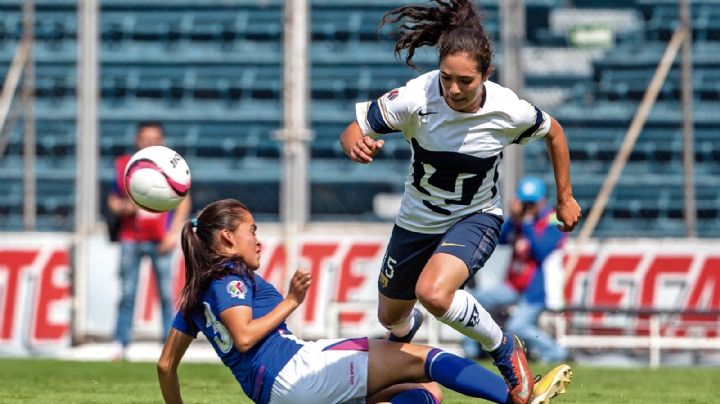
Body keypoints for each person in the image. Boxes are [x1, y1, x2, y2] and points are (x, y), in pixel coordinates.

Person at [338, 1, 581, 402]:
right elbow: (354, 128)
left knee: (434, 293)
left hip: (476, 217)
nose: (453, 89)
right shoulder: (415, 97)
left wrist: (565, 198)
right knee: (390, 317)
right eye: (447, 78)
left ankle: (507, 352)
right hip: (415, 222)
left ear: (486, 74)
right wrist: (356, 145)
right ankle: (404, 340)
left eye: (465, 81)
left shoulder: (508, 109)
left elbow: (555, 132)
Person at [156, 198, 572, 404]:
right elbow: (244, 336)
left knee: (427, 390)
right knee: (424, 358)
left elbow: (165, 365)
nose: (258, 238)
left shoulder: (196, 292)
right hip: (300, 371)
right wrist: (291, 301)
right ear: (227, 237)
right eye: (251, 229)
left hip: (279, 393)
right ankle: (520, 397)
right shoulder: (229, 278)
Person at [462, 176, 569, 363]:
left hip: (536, 291)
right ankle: (471, 351)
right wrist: (513, 218)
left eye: (531, 203)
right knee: (474, 299)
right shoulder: (519, 222)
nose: (528, 207)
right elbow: (500, 238)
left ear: (542, 201)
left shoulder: (553, 220)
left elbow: (541, 251)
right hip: (513, 286)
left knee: (516, 326)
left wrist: (526, 223)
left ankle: (557, 353)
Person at [108, 121, 191, 359]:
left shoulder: (170, 164)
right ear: (137, 140)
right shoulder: (126, 165)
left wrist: (173, 234)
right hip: (130, 237)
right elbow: (113, 199)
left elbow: (184, 200)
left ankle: (169, 344)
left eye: (155, 138)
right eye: (145, 138)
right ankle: (120, 343)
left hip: (160, 238)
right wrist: (123, 208)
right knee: (127, 292)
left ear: (162, 141)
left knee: (167, 294)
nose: (150, 143)